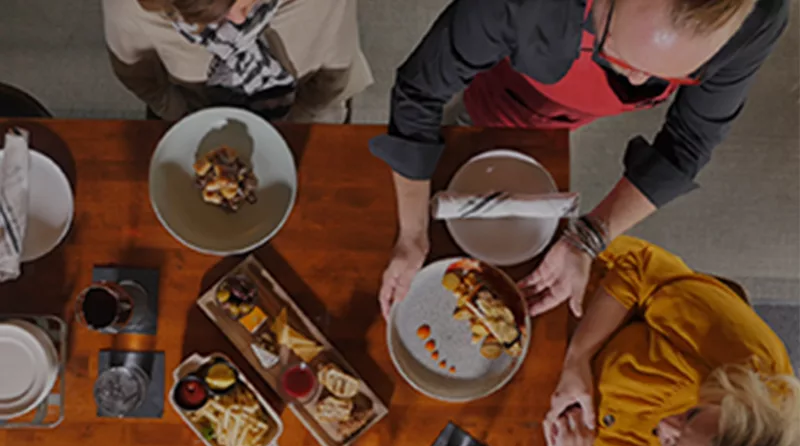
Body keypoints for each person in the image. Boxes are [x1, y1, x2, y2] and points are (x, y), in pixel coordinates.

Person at [370, 0, 789, 320]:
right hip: (505, 90)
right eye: (619, 58)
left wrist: (591, 235)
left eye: (672, 76)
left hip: (561, 116)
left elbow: (689, 143)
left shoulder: (757, 17)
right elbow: (420, 92)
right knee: (471, 121)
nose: (640, 81)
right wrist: (411, 235)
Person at [537, 236, 800, 446]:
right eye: (693, 414)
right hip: (566, 313)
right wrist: (578, 358)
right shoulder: (748, 358)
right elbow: (639, 269)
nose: (665, 425)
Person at [103, 0, 372, 122]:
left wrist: (292, 127)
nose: (239, 23)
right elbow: (140, 79)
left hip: (306, 116)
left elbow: (333, 79)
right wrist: (182, 117)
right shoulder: (131, 8)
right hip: (187, 115)